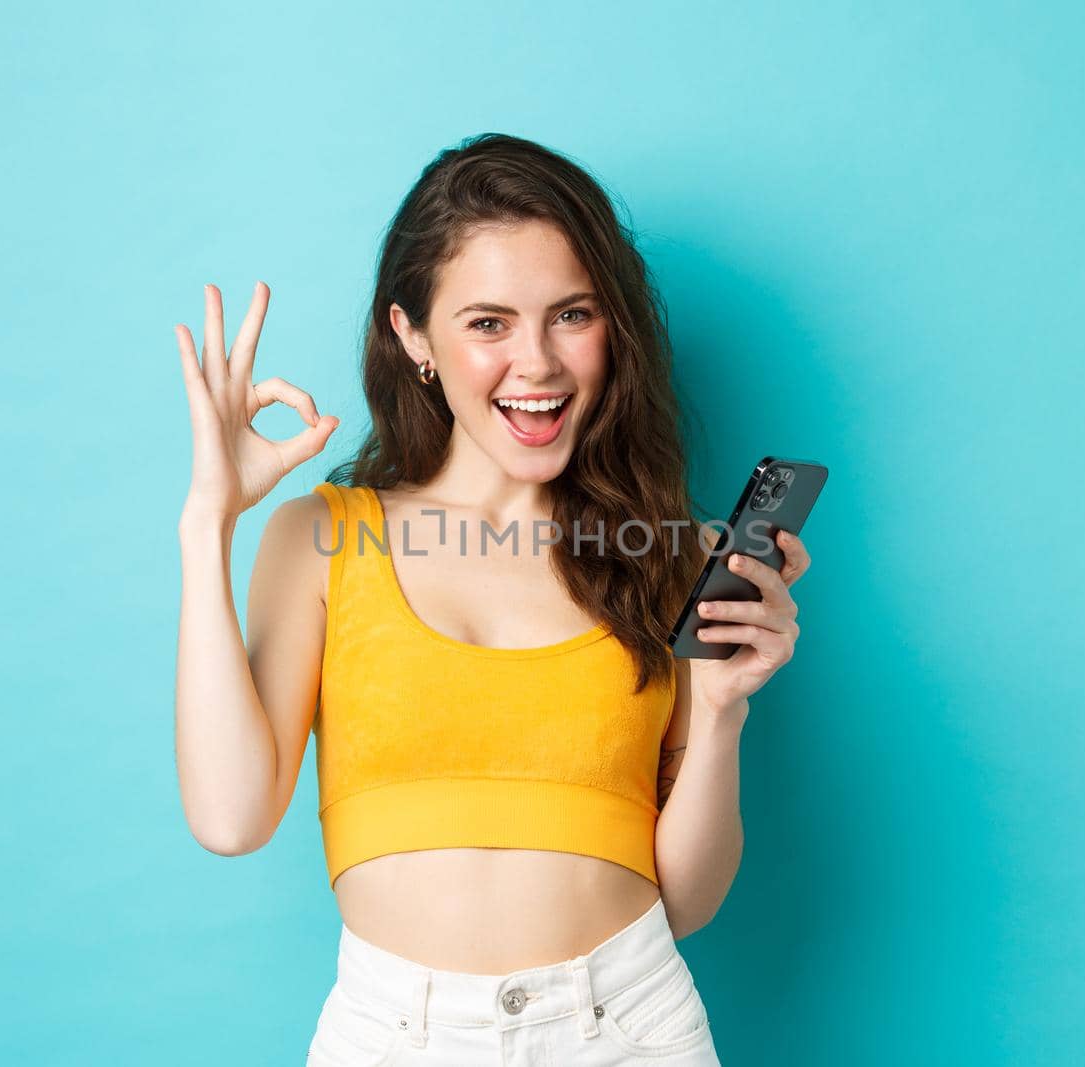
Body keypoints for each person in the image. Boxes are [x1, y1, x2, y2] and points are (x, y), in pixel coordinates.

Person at [172, 133, 811, 1065]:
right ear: (413, 336)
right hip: (394, 1033)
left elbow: (688, 900)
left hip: (630, 1026)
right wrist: (207, 523)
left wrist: (718, 712)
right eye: (487, 323)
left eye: (572, 314)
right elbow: (231, 818)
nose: (538, 363)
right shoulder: (322, 538)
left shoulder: (677, 554)